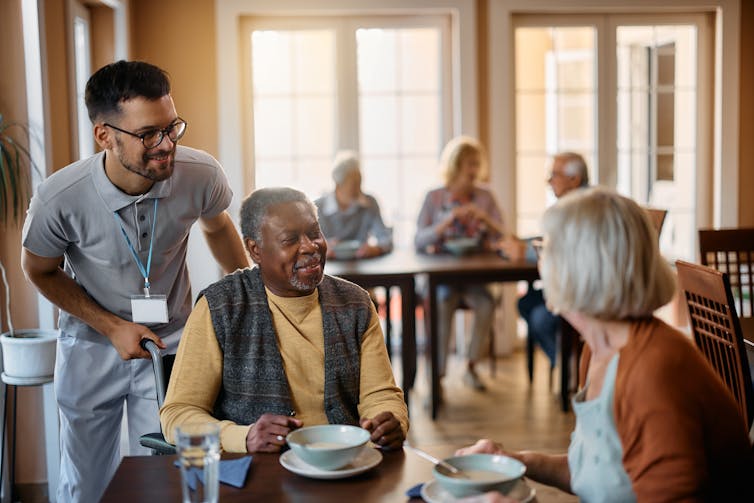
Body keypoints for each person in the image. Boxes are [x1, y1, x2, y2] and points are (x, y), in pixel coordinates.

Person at [21, 61, 249, 502]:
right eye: (148, 135)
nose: (166, 145)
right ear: (104, 135)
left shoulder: (200, 173)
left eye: (172, 128)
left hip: (172, 346)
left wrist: (246, 295)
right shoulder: (58, 198)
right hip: (90, 347)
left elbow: (218, 227)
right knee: (87, 487)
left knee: (165, 478)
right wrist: (111, 326)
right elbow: (38, 269)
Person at [457, 187, 754, 502]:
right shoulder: (598, 349)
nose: (541, 261)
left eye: (547, 249)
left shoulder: (655, 371)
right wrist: (516, 461)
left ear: (582, 270)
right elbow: (599, 473)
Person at [160, 187, 408, 453]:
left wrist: (390, 418)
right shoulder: (220, 307)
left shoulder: (356, 303)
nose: (310, 247)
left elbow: (380, 394)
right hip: (259, 474)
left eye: (314, 233)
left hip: (343, 465)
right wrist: (244, 437)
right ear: (255, 250)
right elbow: (177, 414)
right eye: (290, 240)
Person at [415, 136, 504, 391]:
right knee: (441, 303)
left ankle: (471, 367)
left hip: (475, 277)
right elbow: (419, 240)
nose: (474, 171)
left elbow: (503, 236)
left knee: (487, 303)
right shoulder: (434, 198)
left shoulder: (485, 197)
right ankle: (438, 376)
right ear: (455, 166)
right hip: (442, 279)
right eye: (469, 165)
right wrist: (446, 221)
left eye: (477, 164)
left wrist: (485, 218)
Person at [498, 152, 589, 369]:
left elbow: (566, 251)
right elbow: (554, 241)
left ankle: (568, 366)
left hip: (584, 290)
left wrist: (525, 251)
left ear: (574, 179)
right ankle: (563, 362)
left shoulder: (584, 207)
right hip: (572, 284)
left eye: (554, 174)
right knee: (526, 303)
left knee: (540, 316)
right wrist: (522, 243)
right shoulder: (572, 204)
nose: (549, 181)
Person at [315, 150, 392, 259]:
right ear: (338, 185)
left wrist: (377, 248)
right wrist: (321, 248)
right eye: (353, 184)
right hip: (329, 269)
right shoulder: (318, 207)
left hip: (362, 266)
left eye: (360, 182)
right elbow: (309, 244)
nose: (358, 189)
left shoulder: (369, 203)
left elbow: (385, 238)